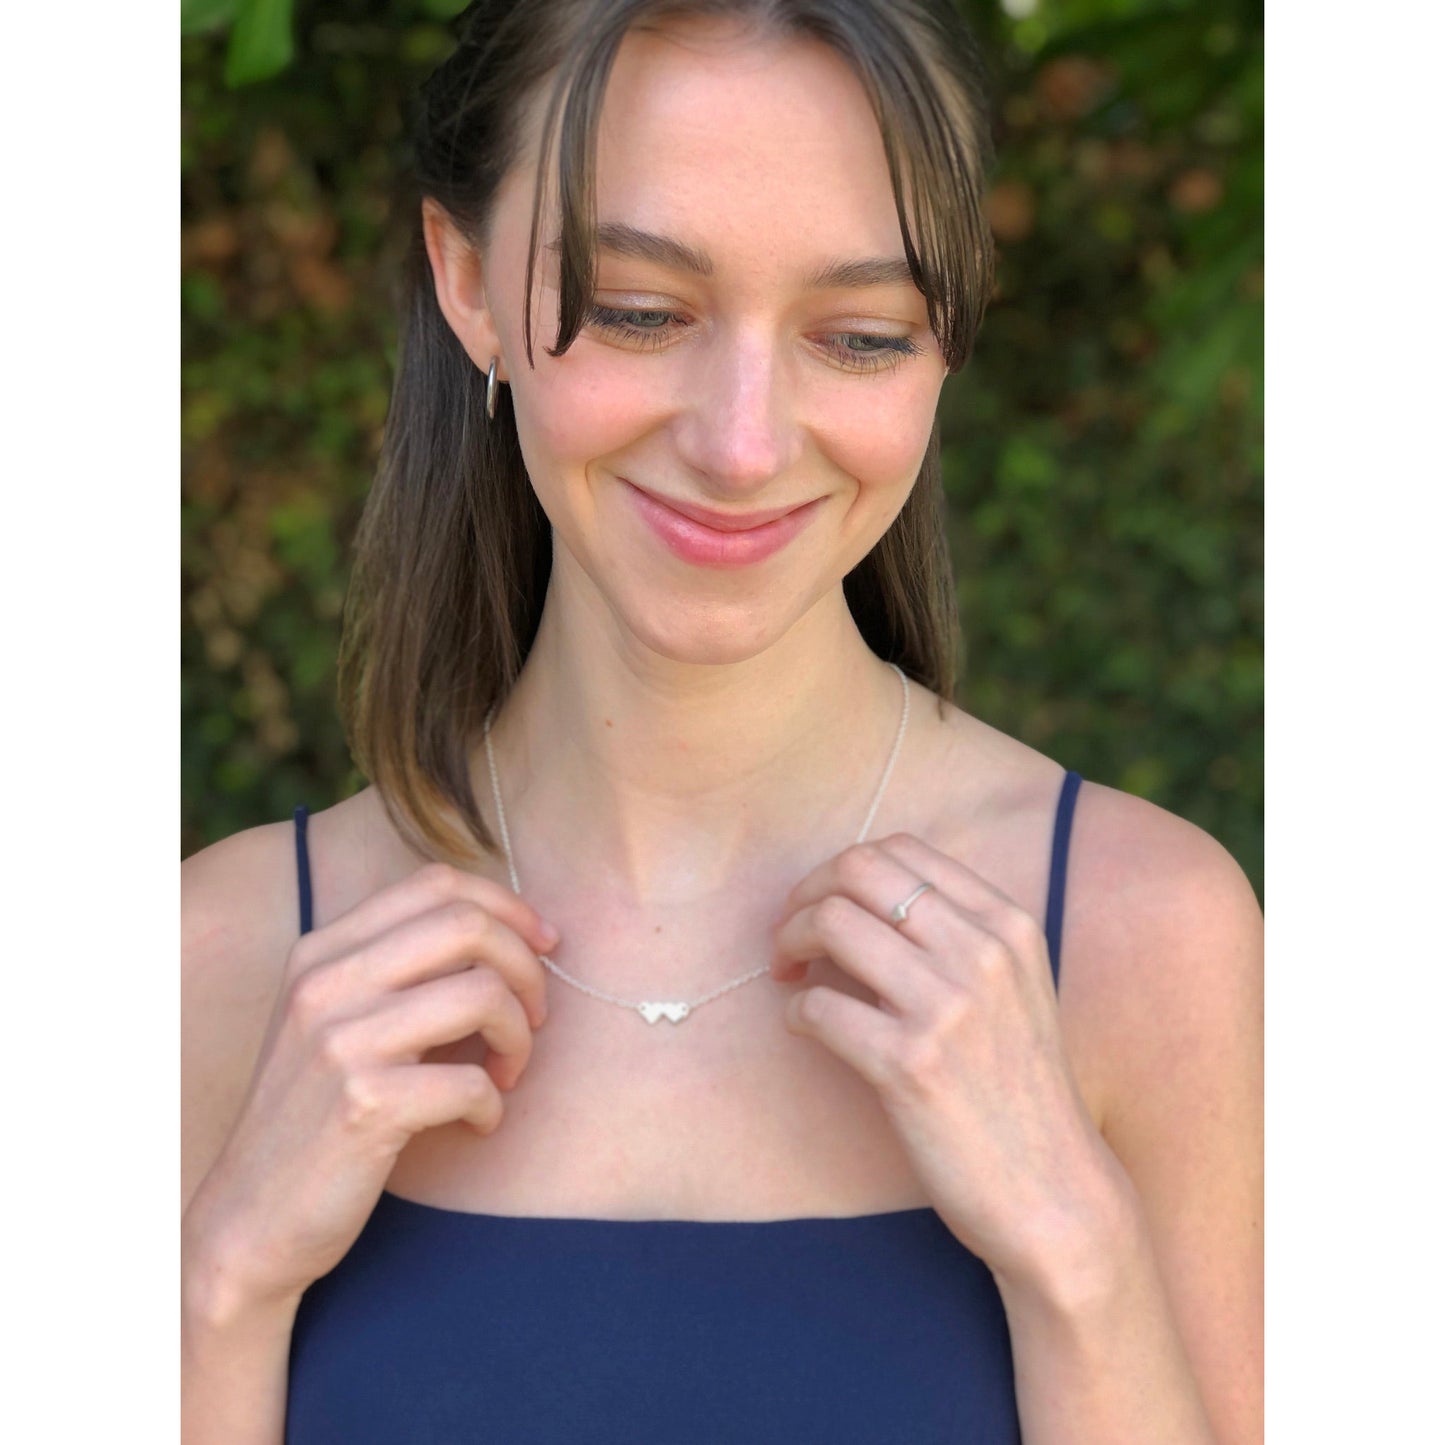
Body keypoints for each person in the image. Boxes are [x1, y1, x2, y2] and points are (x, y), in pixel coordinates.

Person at [181, 1, 1263, 1440]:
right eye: (639, 309)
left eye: (862, 334)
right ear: (465, 283)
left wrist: (1078, 1255)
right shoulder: (221, 962)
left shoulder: (1145, 935)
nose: (742, 444)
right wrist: (225, 1284)